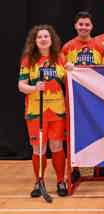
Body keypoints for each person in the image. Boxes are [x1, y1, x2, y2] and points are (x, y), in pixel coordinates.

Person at [18, 25, 68, 197]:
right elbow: (21, 85)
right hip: (35, 112)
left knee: (56, 146)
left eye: (46, 36)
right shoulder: (28, 59)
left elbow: (68, 80)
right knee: (38, 148)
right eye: (40, 37)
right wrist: (33, 88)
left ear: (51, 39)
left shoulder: (60, 58)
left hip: (57, 111)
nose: (43, 39)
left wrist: (71, 70)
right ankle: (39, 181)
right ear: (35, 40)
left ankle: (61, 181)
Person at [62, 11, 104, 179]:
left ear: (92, 26)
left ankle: (99, 166)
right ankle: (74, 168)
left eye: (87, 24)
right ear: (75, 26)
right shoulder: (67, 47)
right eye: (81, 24)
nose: (84, 27)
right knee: (74, 131)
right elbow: (61, 72)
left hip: (94, 97)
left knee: (98, 129)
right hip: (75, 97)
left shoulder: (99, 46)